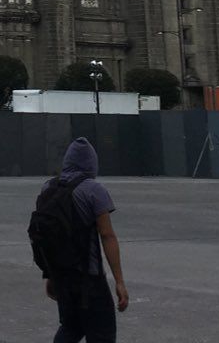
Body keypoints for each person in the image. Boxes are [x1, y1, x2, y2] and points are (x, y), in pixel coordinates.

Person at [32, 137, 128, 343]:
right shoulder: (94, 190)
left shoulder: (49, 187)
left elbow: (49, 237)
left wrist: (49, 275)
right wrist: (119, 281)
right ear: (92, 164)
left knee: (70, 327)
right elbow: (107, 235)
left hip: (62, 277)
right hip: (90, 280)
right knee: (102, 333)